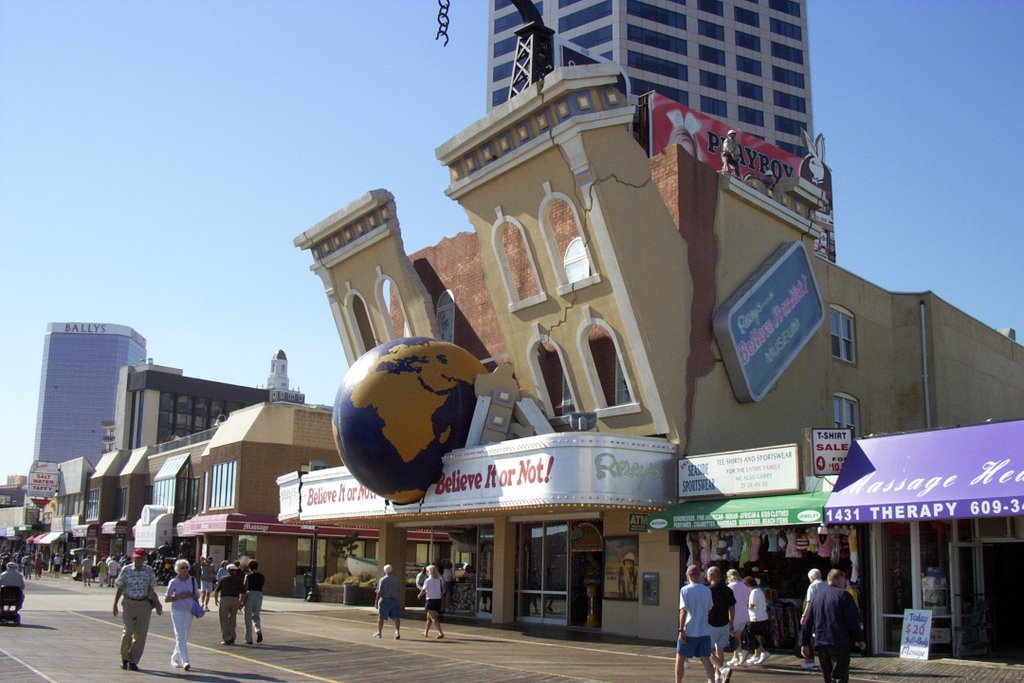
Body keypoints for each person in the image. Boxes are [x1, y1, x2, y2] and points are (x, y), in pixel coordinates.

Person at [801, 569, 865, 683]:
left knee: (827, 676)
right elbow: (852, 620)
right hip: (839, 640)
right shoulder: (843, 595)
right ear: (840, 581)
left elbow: (808, 621)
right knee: (840, 675)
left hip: (821, 641)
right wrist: (859, 639)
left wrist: (805, 642)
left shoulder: (817, 597)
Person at [113, 547, 159, 671]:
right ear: (133, 557)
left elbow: (152, 587)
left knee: (140, 634)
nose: (138, 560)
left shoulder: (149, 570)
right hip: (129, 603)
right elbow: (120, 586)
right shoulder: (126, 570)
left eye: (141, 558)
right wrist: (115, 604)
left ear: (144, 558)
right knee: (128, 631)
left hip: (144, 604)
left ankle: (133, 660)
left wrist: (154, 602)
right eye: (136, 557)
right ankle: (124, 657)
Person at [676, 564, 715, 683]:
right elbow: (709, 608)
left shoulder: (685, 590)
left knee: (680, 660)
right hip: (704, 631)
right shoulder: (707, 590)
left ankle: (678, 682)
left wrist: (681, 629)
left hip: (689, 631)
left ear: (688, 575)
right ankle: (712, 681)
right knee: (706, 659)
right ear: (700, 575)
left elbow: (683, 611)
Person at [164, 559, 200, 671]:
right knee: (180, 635)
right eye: (182, 568)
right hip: (177, 610)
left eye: (186, 567)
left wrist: (191, 594)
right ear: (177, 570)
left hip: (189, 610)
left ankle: (174, 658)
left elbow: (197, 596)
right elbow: (167, 599)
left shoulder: (193, 580)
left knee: (185, 635)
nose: (185, 570)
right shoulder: (173, 582)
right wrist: (178, 596)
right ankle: (186, 661)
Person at [706, 566, 736, 683]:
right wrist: (731, 622)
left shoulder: (708, 590)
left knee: (707, 650)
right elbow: (732, 607)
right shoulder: (728, 589)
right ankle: (718, 675)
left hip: (711, 624)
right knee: (720, 649)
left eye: (708, 575)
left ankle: (719, 673)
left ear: (712, 576)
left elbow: (707, 608)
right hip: (724, 624)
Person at [213, 563, 247, 645]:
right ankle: (232, 636)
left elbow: (216, 591)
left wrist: (216, 600)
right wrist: (241, 601)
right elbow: (243, 592)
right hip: (235, 599)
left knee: (224, 619)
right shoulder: (239, 579)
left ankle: (226, 638)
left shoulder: (223, 579)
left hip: (225, 599)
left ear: (227, 571)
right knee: (233, 618)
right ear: (235, 571)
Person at [800, 568, 826, 670]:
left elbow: (809, 602)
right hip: (824, 615)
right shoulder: (826, 584)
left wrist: (804, 616)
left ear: (811, 577)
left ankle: (809, 661)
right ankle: (824, 663)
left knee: (809, 638)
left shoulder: (812, 586)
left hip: (814, 615)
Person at [725, 569, 750, 667]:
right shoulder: (744, 586)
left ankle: (741, 652)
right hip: (744, 614)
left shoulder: (730, 587)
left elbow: (728, 602)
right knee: (737, 636)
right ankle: (735, 657)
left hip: (734, 614)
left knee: (732, 636)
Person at [744, 575, 770, 665]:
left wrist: (744, 606)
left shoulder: (753, 592)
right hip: (762, 617)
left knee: (752, 636)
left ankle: (763, 651)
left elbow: (751, 605)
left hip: (755, 618)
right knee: (758, 636)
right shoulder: (760, 591)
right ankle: (756, 654)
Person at [373, 563, 402, 639]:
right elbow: (399, 590)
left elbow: (379, 591)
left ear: (385, 571)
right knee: (396, 617)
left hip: (385, 599)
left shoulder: (382, 580)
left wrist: (376, 601)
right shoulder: (396, 579)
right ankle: (397, 631)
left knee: (381, 617)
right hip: (394, 600)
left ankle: (379, 632)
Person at [417, 564, 445, 639]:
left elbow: (423, 590)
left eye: (427, 571)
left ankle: (440, 632)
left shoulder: (428, 580)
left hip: (430, 600)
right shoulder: (439, 580)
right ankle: (426, 632)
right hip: (437, 599)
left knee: (433, 618)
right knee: (428, 617)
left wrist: (419, 595)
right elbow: (441, 590)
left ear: (429, 572)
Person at [243, 560, 265, 645]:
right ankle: (258, 630)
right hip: (259, 594)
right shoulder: (261, 576)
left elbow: (245, 588)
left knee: (248, 617)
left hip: (250, 594)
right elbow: (264, 586)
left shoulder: (248, 576)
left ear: (249, 567)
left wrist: (242, 600)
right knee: (256, 615)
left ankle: (248, 639)